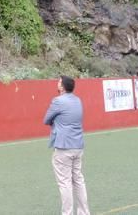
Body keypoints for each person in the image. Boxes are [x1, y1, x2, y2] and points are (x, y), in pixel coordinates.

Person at [43, 76, 89, 215]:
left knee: (65, 183)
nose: (57, 83)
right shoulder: (78, 100)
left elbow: (46, 119)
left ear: (62, 87)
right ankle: (84, 212)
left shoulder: (58, 101)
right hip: (78, 146)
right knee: (78, 180)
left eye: (58, 82)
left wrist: (56, 122)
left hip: (64, 147)